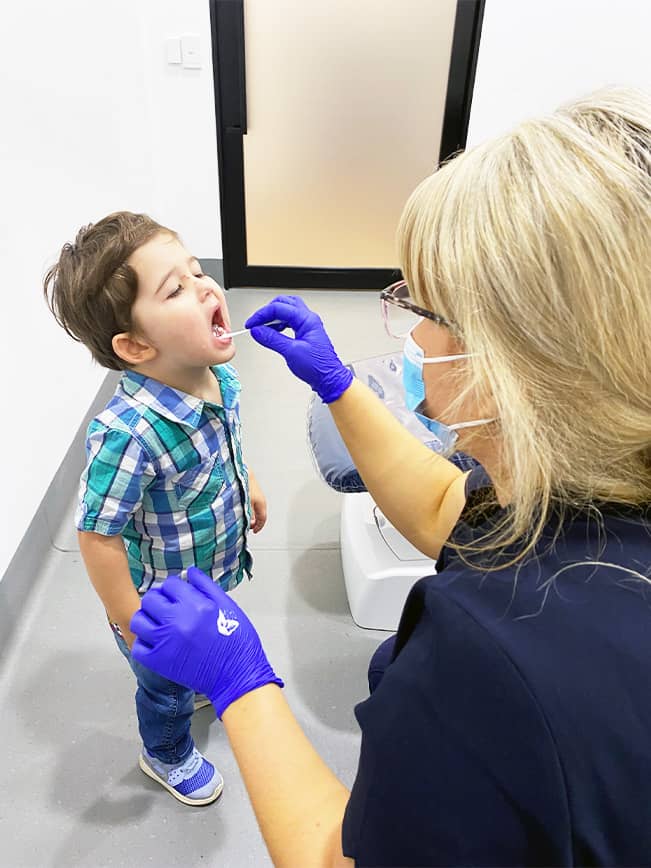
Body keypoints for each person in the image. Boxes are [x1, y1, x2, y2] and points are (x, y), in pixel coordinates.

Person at [130, 86, 651, 865]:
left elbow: (332, 857)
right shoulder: (592, 489)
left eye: (428, 309)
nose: (413, 331)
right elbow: (457, 509)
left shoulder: (494, 668)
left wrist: (239, 683)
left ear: (518, 366)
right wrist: (339, 385)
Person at [43, 212, 268, 806]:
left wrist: (252, 486)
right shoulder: (129, 434)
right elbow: (97, 536)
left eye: (197, 272)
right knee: (165, 692)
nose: (205, 287)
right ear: (136, 345)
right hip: (157, 605)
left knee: (190, 668)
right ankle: (164, 752)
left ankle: (190, 676)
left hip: (208, 573)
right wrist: (134, 621)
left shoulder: (217, 377)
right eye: (176, 288)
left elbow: (229, 444)